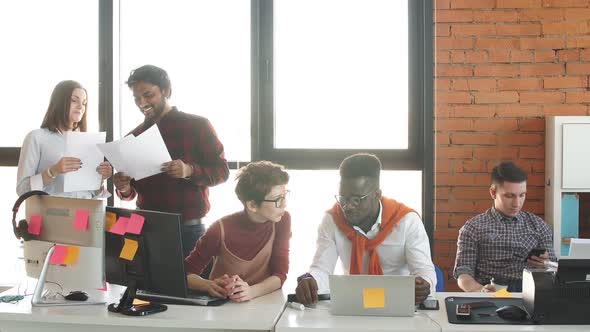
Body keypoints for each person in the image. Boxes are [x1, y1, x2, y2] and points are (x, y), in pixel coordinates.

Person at [113, 65, 229, 257]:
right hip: (144, 225)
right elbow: (129, 193)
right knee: (143, 284)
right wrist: (124, 188)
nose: (142, 103)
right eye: (136, 98)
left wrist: (189, 170)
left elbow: (222, 171)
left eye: (148, 95)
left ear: (166, 91)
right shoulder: (133, 136)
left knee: (189, 285)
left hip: (187, 229)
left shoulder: (197, 126)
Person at [295, 153, 435, 305]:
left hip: (397, 303)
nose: (347, 207)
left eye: (356, 199)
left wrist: (423, 285)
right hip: (353, 303)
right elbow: (322, 269)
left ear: (377, 195)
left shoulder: (407, 221)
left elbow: (424, 271)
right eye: (343, 198)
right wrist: (311, 281)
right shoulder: (332, 220)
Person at [185, 161, 291, 302]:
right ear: (253, 205)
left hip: (266, 305)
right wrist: (208, 285)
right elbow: (185, 273)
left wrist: (251, 291)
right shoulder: (220, 229)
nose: (285, 204)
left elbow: (280, 274)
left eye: (285, 195)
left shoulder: (282, 220)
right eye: (278, 199)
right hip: (224, 307)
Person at [454, 161, 557, 293]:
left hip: (529, 292)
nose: (517, 203)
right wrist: (480, 291)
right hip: (489, 289)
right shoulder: (473, 227)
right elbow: (463, 274)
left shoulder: (538, 225)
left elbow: (554, 269)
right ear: (492, 192)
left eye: (522, 195)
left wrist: (546, 264)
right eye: (509, 196)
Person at [16, 80, 112, 198]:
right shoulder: (36, 137)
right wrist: (52, 171)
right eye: (74, 100)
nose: (80, 107)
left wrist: (100, 179)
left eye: (84, 103)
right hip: (51, 214)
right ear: (60, 102)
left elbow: (92, 195)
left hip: (85, 213)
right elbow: (22, 190)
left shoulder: (88, 142)